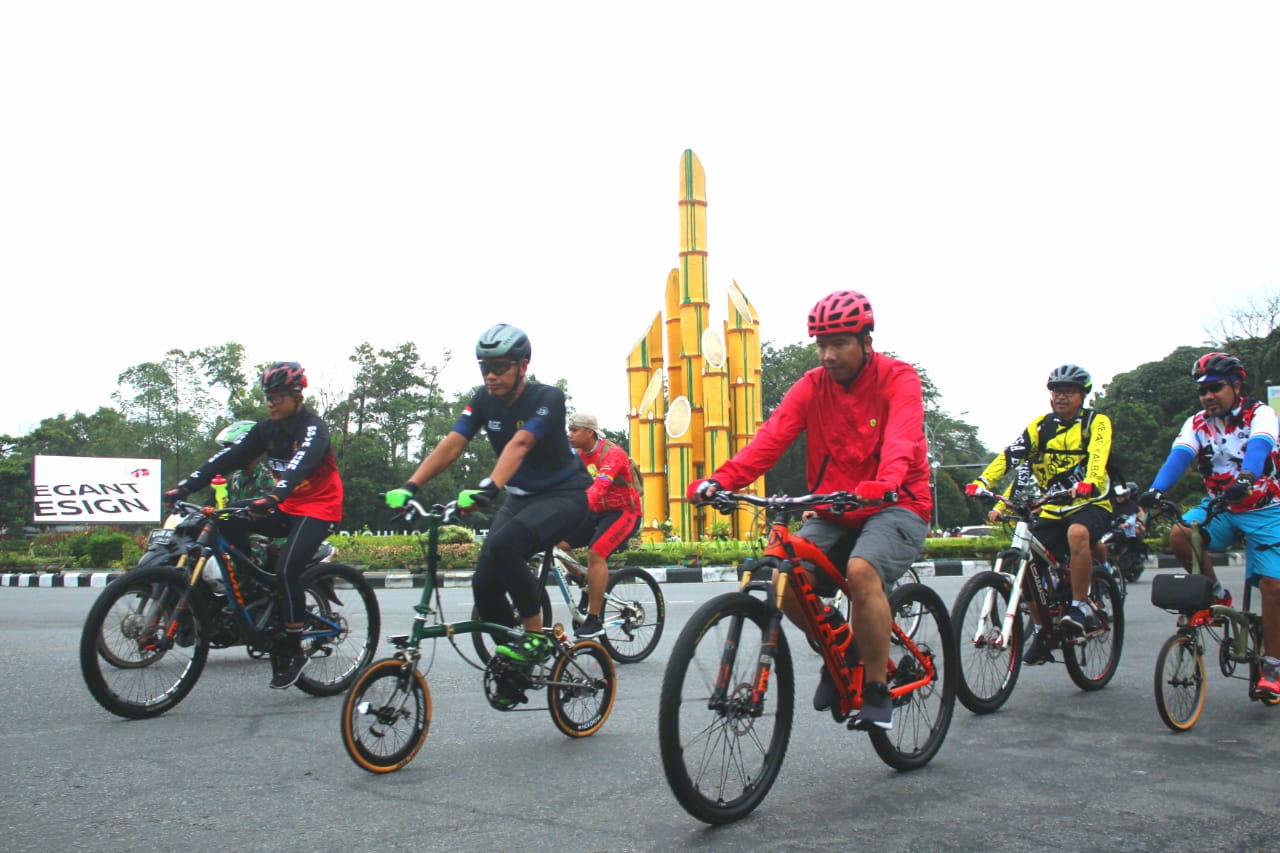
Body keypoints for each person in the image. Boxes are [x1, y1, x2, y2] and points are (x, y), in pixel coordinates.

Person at [687, 290, 932, 730]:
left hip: (896, 501)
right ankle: (839, 641)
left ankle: (876, 687)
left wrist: (888, 480)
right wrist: (721, 480)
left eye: (839, 343)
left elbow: (902, 438)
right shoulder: (812, 385)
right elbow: (770, 440)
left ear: (866, 342)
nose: (828, 354)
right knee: (783, 575)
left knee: (861, 571)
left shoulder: (899, 378)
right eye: (821, 344)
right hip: (835, 505)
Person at [385, 324, 590, 678]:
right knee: (484, 581)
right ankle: (513, 660)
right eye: (484, 367)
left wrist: (490, 487)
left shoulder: (548, 399)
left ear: (523, 365)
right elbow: (453, 443)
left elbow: (521, 443)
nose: (490, 375)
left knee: (507, 545)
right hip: (521, 498)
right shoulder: (482, 400)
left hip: (564, 495)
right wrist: (410, 485)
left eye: (499, 367)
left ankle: (534, 637)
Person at [164, 362, 344, 689]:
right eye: (268, 397)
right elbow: (226, 459)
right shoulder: (266, 430)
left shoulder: (312, 428)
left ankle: (291, 644)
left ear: (296, 395)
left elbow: (300, 464)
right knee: (223, 519)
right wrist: (185, 486)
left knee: (289, 569)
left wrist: (274, 495)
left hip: (319, 507)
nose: (271, 403)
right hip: (284, 503)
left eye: (278, 396)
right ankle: (254, 587)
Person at [1138, 352, 1280, 697]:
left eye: (1215, 388)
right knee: (1181, 534)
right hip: (1219, 507)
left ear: (1235, 386)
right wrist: (1155, 491)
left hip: (1266, 508)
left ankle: (1273, 666)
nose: (1208, 396)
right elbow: (1180, 455)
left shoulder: (1260, 413)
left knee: (1273, 587)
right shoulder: (1197, 423)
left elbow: (1260, 445)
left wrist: (1247, 476)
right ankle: (1217, 593)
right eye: (1202, 391)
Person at [965, 364, 1114, 665]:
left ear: (1083, 395)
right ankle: (1043, 628)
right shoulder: (1040, 426)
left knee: (1078, 534)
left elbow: (1098, 457)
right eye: (1056, 391)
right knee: (1021, 558)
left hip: (1091, 503)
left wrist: (1090, 482)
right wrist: (983, 481)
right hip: (1052, 507)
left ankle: (1079, 605)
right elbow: (1010, 455)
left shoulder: (1096, 423)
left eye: (1068, 392)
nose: (1060, 397)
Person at [559, 411, 642, 638]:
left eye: (574, 430)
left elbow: (599, 487)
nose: (570, 434)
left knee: (596, 553)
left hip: (624, 512)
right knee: (559, 543)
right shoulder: (577, 455)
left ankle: (594, 619)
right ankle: (587, 581)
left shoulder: (612, 454)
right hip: (595, 511)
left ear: (589, 432)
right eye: (569, 430)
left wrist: (576, 506)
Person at [213, 420, 276, 503]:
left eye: (235, 451)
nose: (232, 456)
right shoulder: (235, 478)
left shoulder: (267, 477)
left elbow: (262, 507)